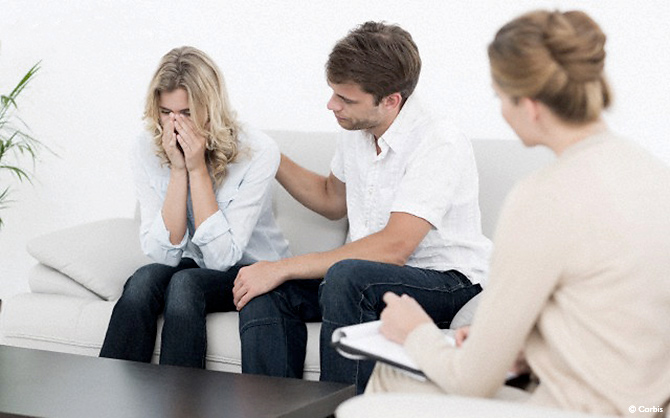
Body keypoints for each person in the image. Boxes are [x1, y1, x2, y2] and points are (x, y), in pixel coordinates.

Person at [367, 9, 670, 417]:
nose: (502, 111)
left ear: (529, 106)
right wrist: (529, 351)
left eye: (500, 97)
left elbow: (471, 381)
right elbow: (615, 314)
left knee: (391, 375)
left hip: (578, 411)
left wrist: (415, 331)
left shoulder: (543, 197)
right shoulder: (653, 173)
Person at [234, 21, 491, 394]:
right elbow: (331, 199)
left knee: (343, 277)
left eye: (346, 99)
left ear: (391, 101)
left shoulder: (439, 141)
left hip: (447, 281)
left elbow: (395, 248)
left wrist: (282, 267)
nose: (332, 105)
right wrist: (267, 154)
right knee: (264, 290)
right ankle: (273, 408)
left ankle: (342, 411)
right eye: (333, 92)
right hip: (365, 278)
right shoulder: (357, 130)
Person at [99, 46, 290, 368]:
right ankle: (109, 393)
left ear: (209, 109)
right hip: (191, 263)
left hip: (249, 269)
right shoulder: (145, 147)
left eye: (187, 113)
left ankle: (180, 397)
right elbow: (163, 256)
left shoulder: (258, 151)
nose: (175, 124)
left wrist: (197, 169)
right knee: (142, 281)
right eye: (166, 112)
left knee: (185, 285)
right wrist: (178, 170)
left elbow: (221, 259)